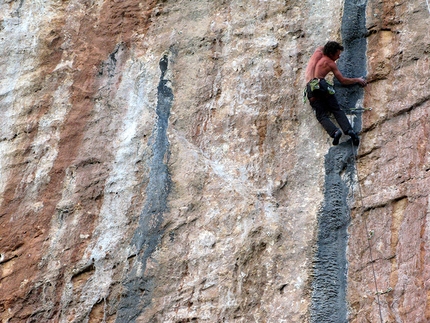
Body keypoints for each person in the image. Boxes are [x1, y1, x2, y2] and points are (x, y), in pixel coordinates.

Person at [305, 41, 366, 145]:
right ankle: (350, 131)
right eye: (337, 54)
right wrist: (357, 80)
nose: (338, 57)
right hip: (322, 84)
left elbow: (322, 47)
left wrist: (331, 47)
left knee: (321, 115)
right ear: (331, 53)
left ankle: (335, 132)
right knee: (336, 109)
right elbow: (343, 80)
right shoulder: (330, 63)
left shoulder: (318, 52)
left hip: (311, 88)